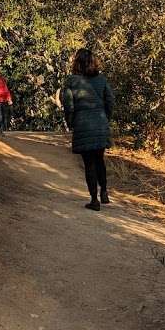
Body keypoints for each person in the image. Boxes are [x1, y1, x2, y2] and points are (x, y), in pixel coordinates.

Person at [61, 48, 115, 211]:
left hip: (83, 124)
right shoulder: (102, 80)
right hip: (100, 122)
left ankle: (94, 200)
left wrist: (70, 122)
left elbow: (69, 105)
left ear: (77, 63)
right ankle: (104, 192)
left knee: (89, 163)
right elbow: (110, 100)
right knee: (99, 159)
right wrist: (106, 118)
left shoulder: (71, 81)